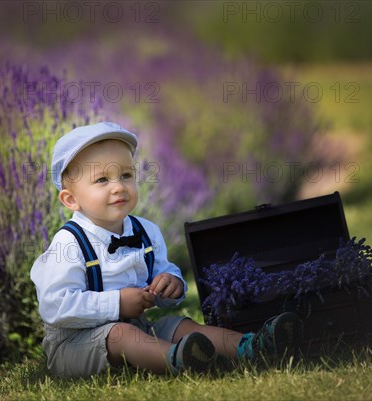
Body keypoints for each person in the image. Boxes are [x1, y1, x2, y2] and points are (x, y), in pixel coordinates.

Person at [30, 122, 302, 377]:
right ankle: (179, 361)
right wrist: (117, 303)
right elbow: (55, 305)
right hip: (74, 344)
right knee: (120, 334)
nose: (118, 187)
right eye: (102, 180)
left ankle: (253, 347)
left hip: (137, 329)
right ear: (71, 199)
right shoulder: (69, 243)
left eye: (126, 175)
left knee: (181, 325)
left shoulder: (146, 231)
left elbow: (164, 271)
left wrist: (171, 284)